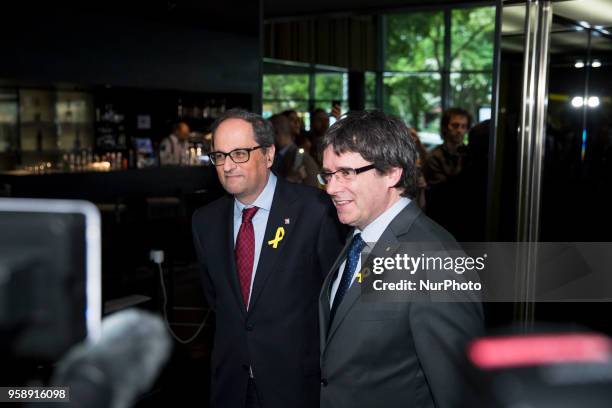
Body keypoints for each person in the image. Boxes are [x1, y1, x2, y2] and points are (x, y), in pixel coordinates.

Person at [317, 110, 483, 408]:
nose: (330, 187)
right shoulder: (359, 235)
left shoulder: (435, 260)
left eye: (346, 173)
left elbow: (458, 392)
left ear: (392, 173)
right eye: (328, 174)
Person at [192, 109, 345, 408]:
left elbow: (337, 303)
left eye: (239, 153)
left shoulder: (316, 211)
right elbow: (218, 301)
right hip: (231, 388)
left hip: (296, 387)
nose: (228, 166)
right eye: (219, 156)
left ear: (268, 154)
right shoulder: (204, 221)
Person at [269, 113, 320, 188]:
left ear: (276, 132)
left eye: (267, 133)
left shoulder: (300, 159)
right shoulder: (280, 156)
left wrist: (289, 180)